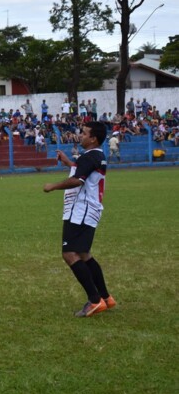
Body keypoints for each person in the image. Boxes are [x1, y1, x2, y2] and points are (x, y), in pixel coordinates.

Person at [43, 121, 116, 318]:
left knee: (69, 254)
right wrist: (68, 163)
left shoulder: (91, 155)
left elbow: (78, 179)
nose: (80, 135)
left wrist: (53, 186)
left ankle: (94, 300)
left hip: (80, 211)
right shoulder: (95, 156)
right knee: (84, 254)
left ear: (93, 138)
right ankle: (106, 297)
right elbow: (82, 170)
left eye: (83, 133)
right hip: (89, 210)